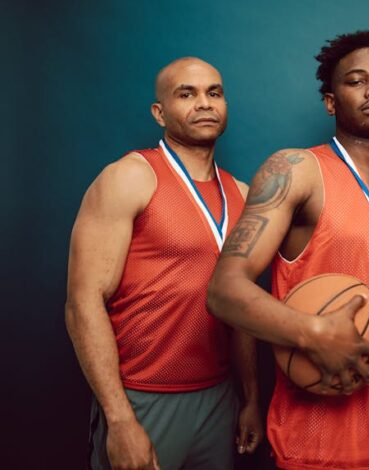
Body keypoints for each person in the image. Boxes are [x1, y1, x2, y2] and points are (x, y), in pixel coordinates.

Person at [207, 27, 369, 469]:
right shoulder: (297, 170)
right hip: (315, 448)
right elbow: (224, 291)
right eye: (356, 80)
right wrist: (314, 334)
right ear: (330, 101)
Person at [65, 57, 262, 470]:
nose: (204, 103)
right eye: (186, 94)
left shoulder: (242, 194)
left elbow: (242, 311)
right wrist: (119, 420)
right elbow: (83, 302)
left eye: (214, 92)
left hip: (218, 399)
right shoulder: (130, 177)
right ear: (159, 113)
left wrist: (250, 399)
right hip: (142, 396)